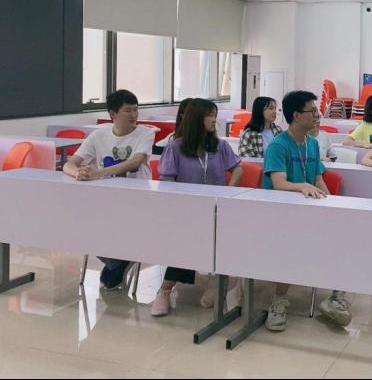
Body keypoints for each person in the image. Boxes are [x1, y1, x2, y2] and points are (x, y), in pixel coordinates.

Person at [263, 91, 351, 331]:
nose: (316, 115)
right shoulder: (278, 146)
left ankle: (335, 297)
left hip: (309, 211)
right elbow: (279, 183)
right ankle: (278, 301)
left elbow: (318, 179)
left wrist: (332, 206)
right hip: (281, 214)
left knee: (344, 238)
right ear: (296, 115)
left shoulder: (312, 144)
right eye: (312, 111)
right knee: (292, 246)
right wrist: (303, 186)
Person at [151, 99, 243, 317]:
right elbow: (167, 181)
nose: (214, 120)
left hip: (217, 209)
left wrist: (227, 193)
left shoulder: (220, 145)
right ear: (195, 119)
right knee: (185, 245)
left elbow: (237, 169)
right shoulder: (176, 147)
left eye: (214, 115)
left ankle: (218, 283)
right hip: (187, 211)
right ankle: (164, 290)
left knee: (226, 242)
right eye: (209, 115)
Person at [63, 89, 155, 290]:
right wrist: (79, 173)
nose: (134, 115)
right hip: (105, 199)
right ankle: (119, 260)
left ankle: (120, 259)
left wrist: (98, 173)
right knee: (79, 225)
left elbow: (135, 161)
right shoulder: (99, 135)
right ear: (113, 114)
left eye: (136, 110)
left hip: (138, 199)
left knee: (120, 229)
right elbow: (70, 164)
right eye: (128, 110)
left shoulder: (146, 133)